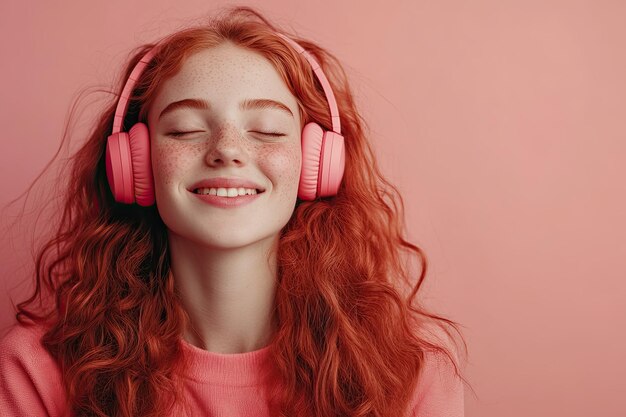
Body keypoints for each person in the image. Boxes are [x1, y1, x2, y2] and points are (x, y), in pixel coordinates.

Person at [0, 6, 470, 417]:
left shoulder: (410, 369)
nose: (227, 151)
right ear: (135, 163)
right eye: (184, 130)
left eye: (267, 130)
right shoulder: (37, 371)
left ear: (317, 163)